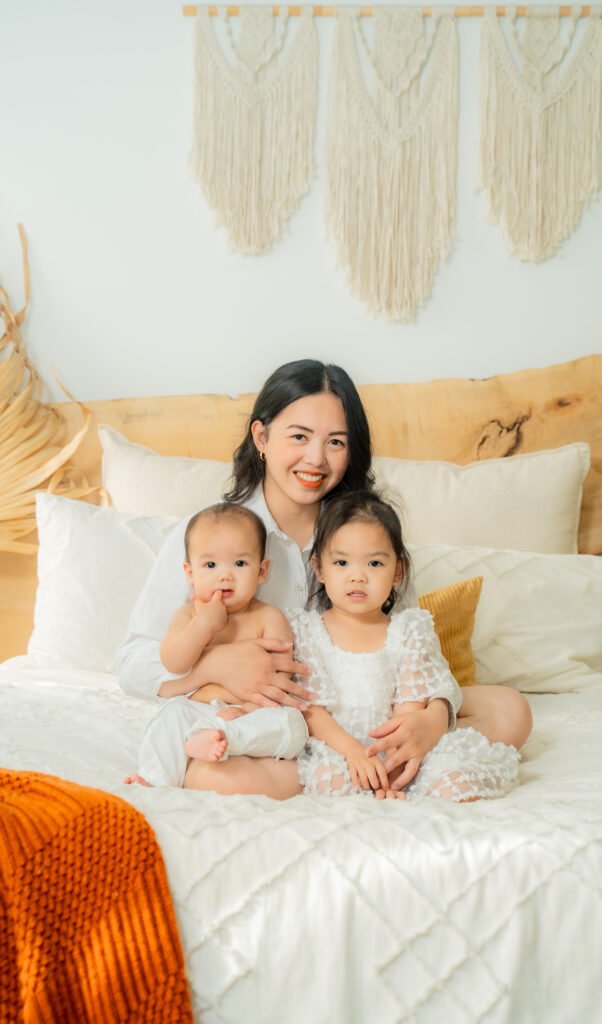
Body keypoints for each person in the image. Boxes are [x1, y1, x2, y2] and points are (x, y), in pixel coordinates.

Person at [116, 359, 531, 799]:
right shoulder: (210, 538)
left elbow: (412, 648)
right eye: (299, 437)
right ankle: (345, 770)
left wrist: (433, 717)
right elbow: (132, 664)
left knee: (510, 710)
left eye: (335, 442)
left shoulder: (365, 534)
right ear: (261, 437)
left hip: (367, 708)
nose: (315, 459)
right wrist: (214, 667)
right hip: (273, 717)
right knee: (213, 771)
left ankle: (387, 762)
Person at [290, 491, 519, 801]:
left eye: (374, 563)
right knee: (325, 779)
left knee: (454, 779)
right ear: (319, 569)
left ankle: (415, 793)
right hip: (339, 748)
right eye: (341, 562)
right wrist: (353, 752)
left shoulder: (409, 629)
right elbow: (311, 709)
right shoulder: (306, 630)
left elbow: (409, 708)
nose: (357, 577)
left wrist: (394, 772)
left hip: (402, 749)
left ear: (397, 571)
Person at [125, 503, 308, 787]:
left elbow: (278, 681)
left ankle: (222, 738)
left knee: (292, 726)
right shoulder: (188, 615)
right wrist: (203, 625)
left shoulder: (269, 617)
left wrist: (245, 711)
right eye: (210, 565)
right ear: (190, 573)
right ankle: (156, 781)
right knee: (171, 715)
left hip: (252, 714)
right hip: (200, 709)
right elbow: (174, 663)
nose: (225, 576)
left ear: (262, 571)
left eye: (240, 564)